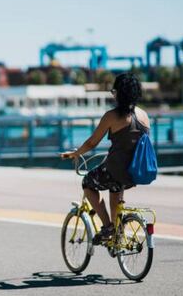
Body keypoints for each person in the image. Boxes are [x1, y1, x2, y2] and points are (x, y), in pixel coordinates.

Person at [61, 73, 150, 245]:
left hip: (115, 169)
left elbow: (92, 142)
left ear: (119, 94)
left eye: (113, 91)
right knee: (115, 190)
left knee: (88, 182)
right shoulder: (144, 115)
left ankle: (108, 226)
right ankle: (118, 235)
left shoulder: (112, 116)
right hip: (135, 171)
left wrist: (76, 153)